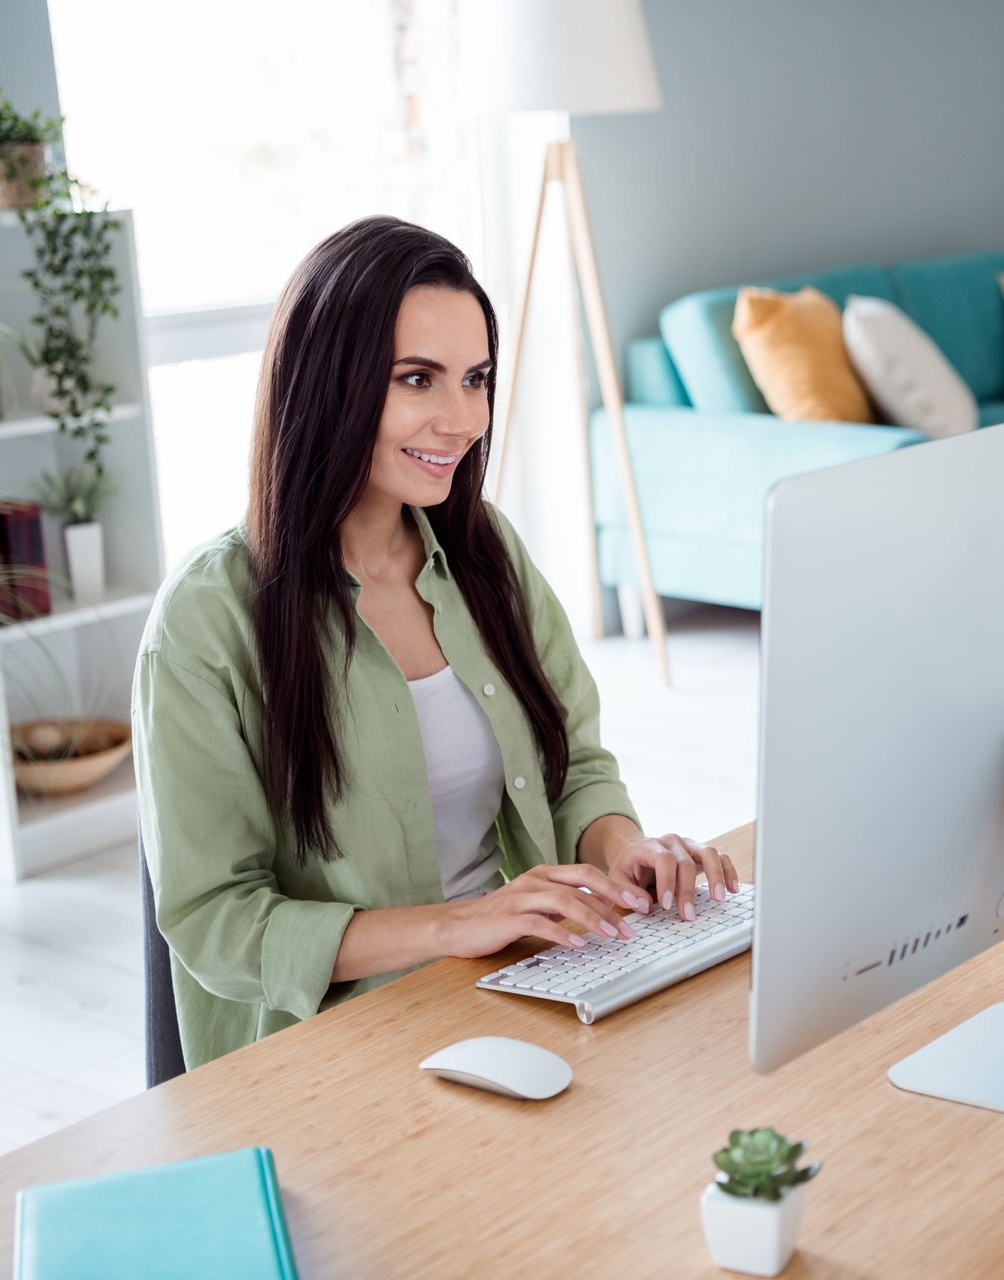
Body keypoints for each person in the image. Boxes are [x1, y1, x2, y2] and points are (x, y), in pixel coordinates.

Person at [133, 215, 734, 1069]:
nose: (462, 419)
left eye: (476, 379)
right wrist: (458, 925)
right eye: (418, 379)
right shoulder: (206, 621)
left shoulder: (484, 551)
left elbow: (576, 768)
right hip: (335, 1051)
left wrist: (620, 847)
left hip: (521, 987)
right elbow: (215, 921)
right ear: (326, 384)